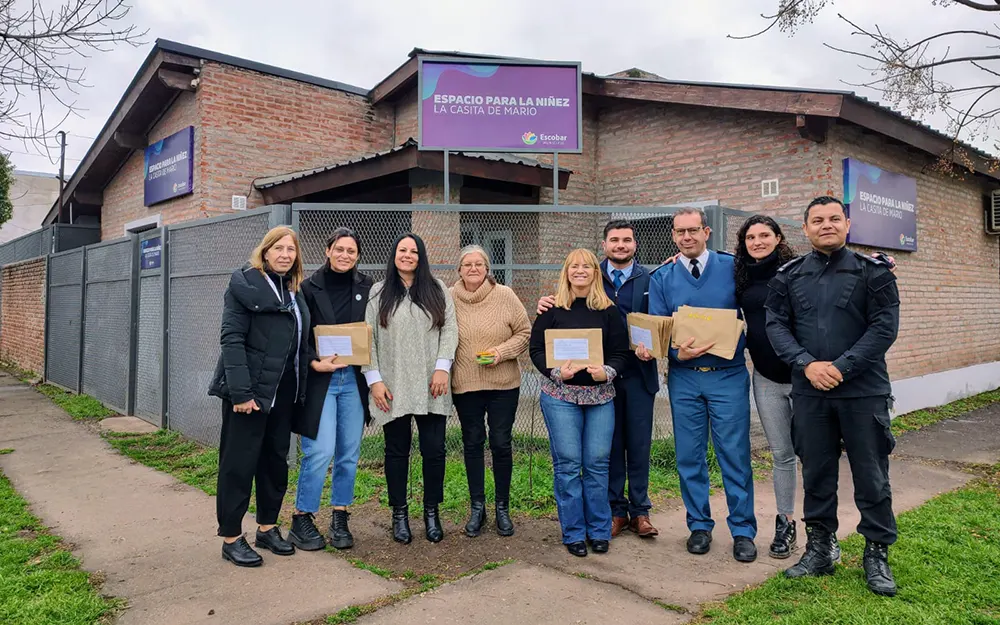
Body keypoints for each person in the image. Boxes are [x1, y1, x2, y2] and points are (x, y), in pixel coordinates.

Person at [766, 196, 900, 597]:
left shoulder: (873, 272)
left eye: (834, 219)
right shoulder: (788, 276)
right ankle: (820, 549)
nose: (827, 225)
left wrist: (841, 367)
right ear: (805, 229)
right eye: (817, 220)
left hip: (863, 391)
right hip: (810, 392)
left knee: (872, 476)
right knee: (817, 473)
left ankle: (876, 553)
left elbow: (884, 328)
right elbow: (776, 326)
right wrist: (806, 364)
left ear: (848, 224)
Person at [648, 206, 758, 563]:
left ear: (706, 232)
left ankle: (743, 530)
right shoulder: (662, 277)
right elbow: (660, 331)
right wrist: (676, 352)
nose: (686, 237)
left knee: (734, 455)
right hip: (685, 380)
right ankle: (698, 525)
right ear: (673, 236)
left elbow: (756, 305)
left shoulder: (732, 267)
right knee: (689, 457)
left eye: (693, 230)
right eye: (680, 232)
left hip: (727, 376)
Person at [537, 220, 661, 539]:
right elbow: (541, 344)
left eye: (627, 240)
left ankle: (641, 510)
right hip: (591, 382)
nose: (621, 245)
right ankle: (614, 511)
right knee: (605, 450)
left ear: (635, 244)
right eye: (614, 240)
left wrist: (655, 346)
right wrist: (545, 304)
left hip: (635, 374)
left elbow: (661, 320)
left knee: (636, 445)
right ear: (603, 245)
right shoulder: (591, 277)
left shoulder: (651, 278)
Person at [208, 226, 311, 568]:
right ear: (265, 252)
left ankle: (267, 527)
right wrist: (240, 392)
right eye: (278, 248)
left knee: (274, 463)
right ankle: (231, 537)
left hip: (283, 393)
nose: (285, 254)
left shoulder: (294, 292)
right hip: (249, 394)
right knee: (239, 464)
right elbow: (231, 339)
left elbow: (298, 342)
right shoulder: (244, 285)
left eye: (291, 250)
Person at [529, 248, 630, 558]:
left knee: (598, 464)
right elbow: (536, 350)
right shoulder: (551, 310)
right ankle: (573, 532)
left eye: (587, 266)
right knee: (569, 465)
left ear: (595, 273)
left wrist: (608, 371)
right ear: (566, 272)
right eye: (574, 266)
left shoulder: (609, 311)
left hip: (600, 398)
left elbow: (620, 353)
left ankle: (599, 530)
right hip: (561, 398)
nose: (581, 271)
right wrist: (557, 371)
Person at [362, 232, 458, 544]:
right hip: (393, 384)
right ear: (394, 254)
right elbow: (368, 338)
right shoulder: (378, 292)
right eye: (402, 250)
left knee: (434, 451)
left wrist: (442, 368)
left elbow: (450, 331)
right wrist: (374, 379)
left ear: (421, 256)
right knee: (396, 452)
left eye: (413, 251)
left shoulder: (437, 288)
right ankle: (399, 514)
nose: (407, 255)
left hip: (432, 385)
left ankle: (432, 512)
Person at [287, 228, 374, 552]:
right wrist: (313, 362)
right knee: (319, 451)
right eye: (339, 249)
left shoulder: (367, 288)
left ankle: (340, 515)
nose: (345, 255)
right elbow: (297, 336)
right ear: (327, 250)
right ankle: (302, 517)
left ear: (358, 255)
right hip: (321, 380)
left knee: (349, 455)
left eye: (351, 251)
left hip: (353, 380)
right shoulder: (307, 288)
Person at [450, 245, 531, 538]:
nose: (473, 268)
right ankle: (477, 508)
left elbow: (524, 332)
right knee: (472, 443)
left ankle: (502, 509)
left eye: (479, 264)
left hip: (503, 384)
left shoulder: (505, 295)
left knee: (500, 443)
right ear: (459, 270)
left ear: (487, 268)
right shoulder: (449, 298)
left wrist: (501, 351)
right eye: (467, 264)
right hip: (465, 384)